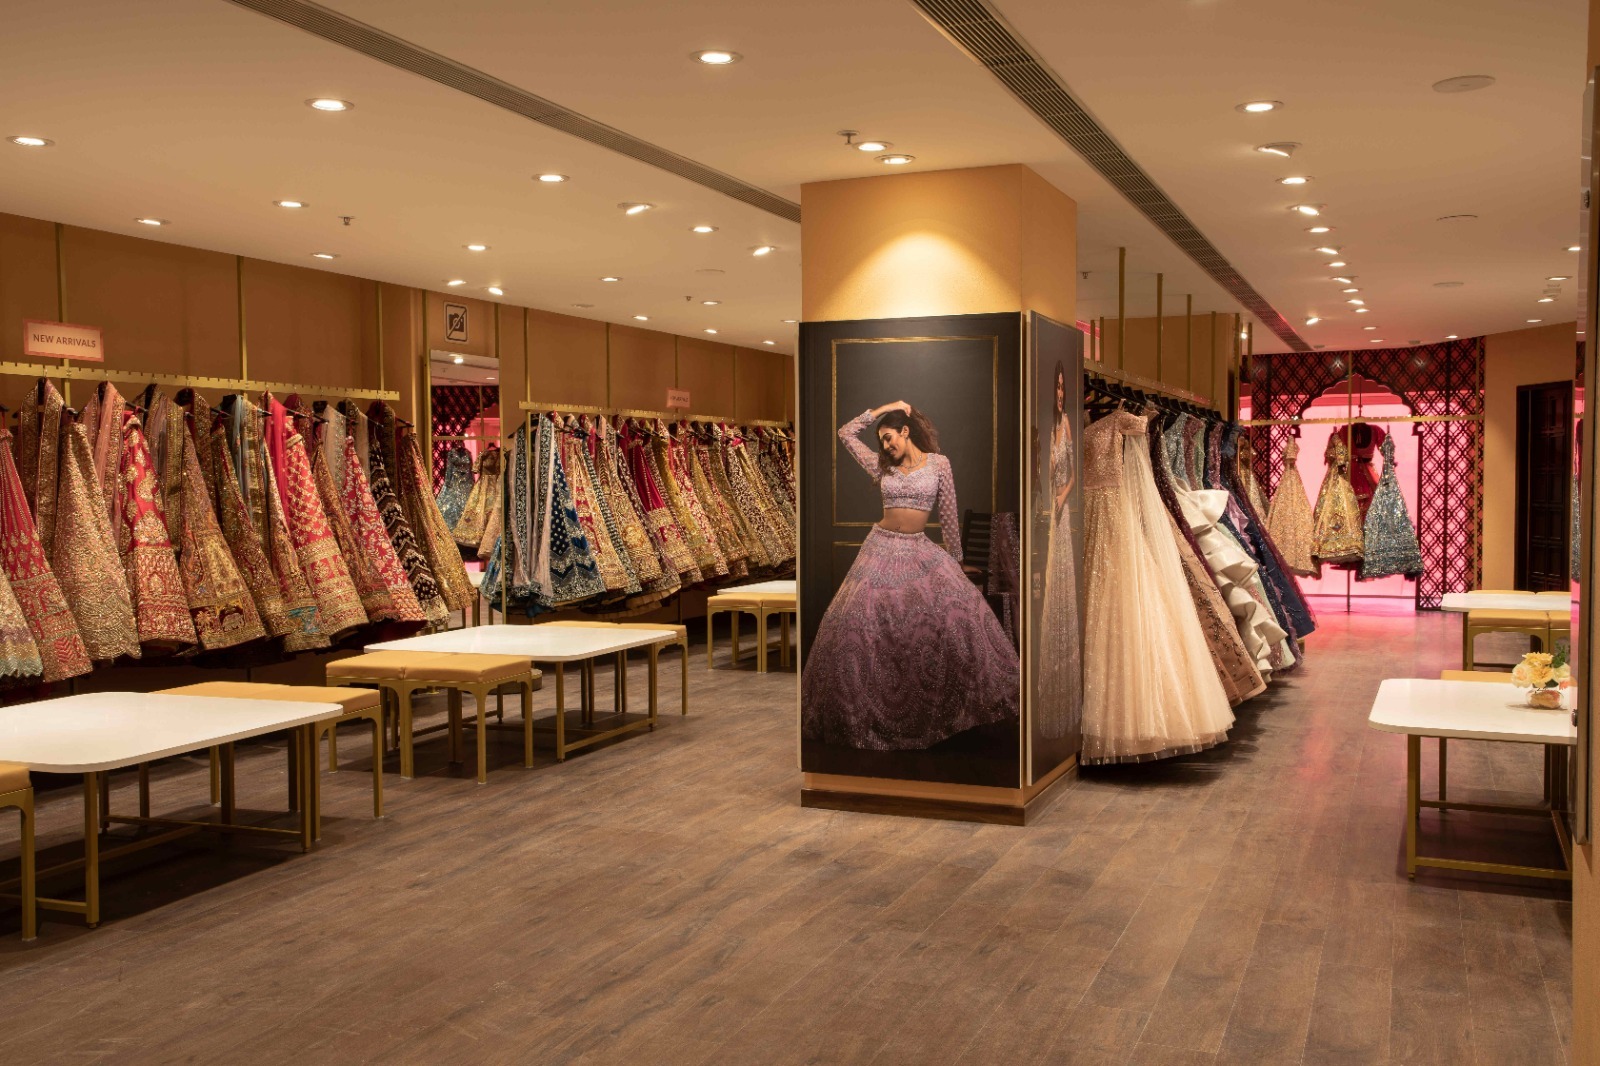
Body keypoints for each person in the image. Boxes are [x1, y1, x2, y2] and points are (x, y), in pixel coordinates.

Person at [801, 401, 1019, 750]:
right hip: (880, 548)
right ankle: (863, 713)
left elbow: (948, 514)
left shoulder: (939, 464)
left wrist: (958, 561)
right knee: (859, 626)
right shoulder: (881, 466)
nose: (886, 446)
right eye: (881, 441)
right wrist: (886, 408)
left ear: (905, 431)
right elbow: (845, 433)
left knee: (951, 622)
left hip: (919, 549)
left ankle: (932, 709)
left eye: (889, 437)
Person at [1037, 364, 1082, 740]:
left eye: (1065, 387)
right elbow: (1043, 474)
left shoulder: (1066, 423)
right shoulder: (1046, 425)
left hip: (1061, 514)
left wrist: (1062, 498)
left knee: (1062, 587)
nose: (1062, 393)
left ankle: (1064, 683)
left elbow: (1072, 476)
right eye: (1058, 387)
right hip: (1046, 513)